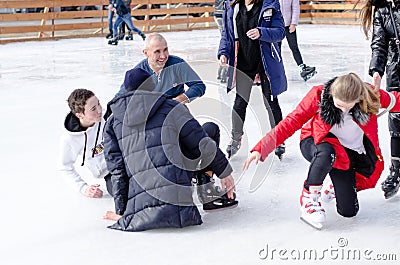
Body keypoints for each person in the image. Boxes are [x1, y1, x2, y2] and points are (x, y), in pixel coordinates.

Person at [243, 73, 400, 228]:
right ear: (332, 95)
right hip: (315, 141)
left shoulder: (369, 95)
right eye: (340, 105)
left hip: (345, 154)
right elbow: (291, 122)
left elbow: (396, 100)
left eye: (349, 106)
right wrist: (261, 148)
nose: (344, 110)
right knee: (327, 153)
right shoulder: (318, 96)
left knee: (349, 211)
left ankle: (333, 186)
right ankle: (309, 197)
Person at [103, 68, 237, 231]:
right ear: (152, 85)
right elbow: (201, 142)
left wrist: (123, 214)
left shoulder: (111, 123)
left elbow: (118, 172)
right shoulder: (171, 106)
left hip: (138, 214)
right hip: (179, 207)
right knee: (208, 130)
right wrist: (224, 171)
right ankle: (206, 189)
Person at [218, 0, 288, 158]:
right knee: (240, 102)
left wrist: (261, 32)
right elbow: (226, 35)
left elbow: (280, 32)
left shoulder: (269, 5)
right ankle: (236, 138)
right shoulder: (232, 7)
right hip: (243, 61)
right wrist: (223, 53)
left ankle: (279, 138)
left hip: (265, 63)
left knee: (270, 101)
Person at [360, 0, 400, 199]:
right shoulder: (383, 10)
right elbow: (379, 43)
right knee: (396, 122)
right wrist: (376, 72)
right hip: (396, 72)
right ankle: (396, 169)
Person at [117, 33, 206, 104]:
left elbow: (198, 85)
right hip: (151, 115)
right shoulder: (139, 72)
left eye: (165, 50)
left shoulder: (177, 64)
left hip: (175, 111)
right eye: (157, 52)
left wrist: (180, 99)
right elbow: (120, 97)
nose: (163, 56)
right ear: (146, 53)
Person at [58, 89, 113, 198]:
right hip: (110, 173)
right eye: (93, 109)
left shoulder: (108, 116)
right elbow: (64, 167)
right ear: (80, 115)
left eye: (98, 104)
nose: (99, 110)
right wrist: (83, 188)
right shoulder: (70, 139)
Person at [278, 0, 316, 81]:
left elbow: (295, 9)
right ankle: (277, 71)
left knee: (294, 47)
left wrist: (293, 24)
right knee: (277, 49)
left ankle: (302, 67)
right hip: (276, 26)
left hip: (289, 26)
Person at [214, 0, 228, 83]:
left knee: (224, 39)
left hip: (217, 14)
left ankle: (220, 73)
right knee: (226, 40)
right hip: (223, 13)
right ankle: (224, 74)